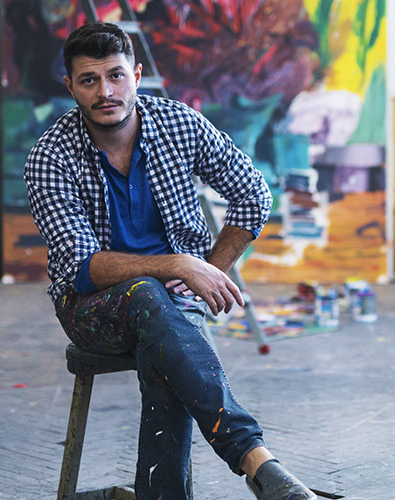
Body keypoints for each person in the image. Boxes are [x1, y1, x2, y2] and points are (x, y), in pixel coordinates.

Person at [24, 22, 317, 500]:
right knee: (148, 301)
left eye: (116, 76)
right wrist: (180, 264)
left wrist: (210, 269)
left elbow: (253, 193)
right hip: (91, 308)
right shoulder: (51, 156)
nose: (106, 92)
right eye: (89, 80)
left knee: (166, 344)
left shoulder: (178, 125)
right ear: (70, 86)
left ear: (137, 75)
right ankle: (255, 459)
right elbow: (83, 267)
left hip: (172, 304)